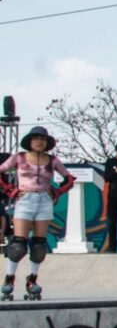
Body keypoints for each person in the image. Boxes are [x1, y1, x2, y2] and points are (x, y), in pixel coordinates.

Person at [0, 127, 75, 299]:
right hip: (25, 199)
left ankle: (32, 279)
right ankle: (9, 278)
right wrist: (9, 190)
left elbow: (69, 179)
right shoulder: (19, 157)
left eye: (42, 139)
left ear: (47, 142)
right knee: (19, 244)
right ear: (29, 141)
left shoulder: (52, 160)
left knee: (39, 245)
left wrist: (57, 192)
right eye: (36, 139)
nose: (39, 142)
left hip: (44, 200)